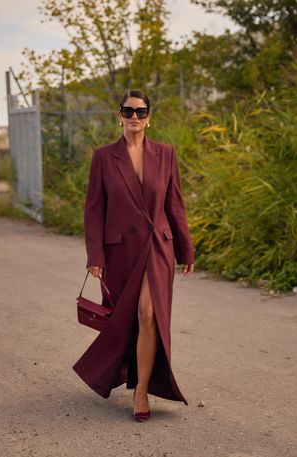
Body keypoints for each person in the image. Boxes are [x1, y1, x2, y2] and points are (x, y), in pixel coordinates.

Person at [73, 89, 195, 422]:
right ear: (120, 116)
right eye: (128, 111)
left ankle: (141, 390)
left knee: (147, 315)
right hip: (119, 252)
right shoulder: (103, 157)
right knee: (125, 320)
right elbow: (94, 210)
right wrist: (94, 255)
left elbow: (175, 205)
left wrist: (185, 248)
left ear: (149, 118)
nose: (134, 117)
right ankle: (118, 371)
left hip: (157, 247)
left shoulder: (166, 154)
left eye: (141, 112)